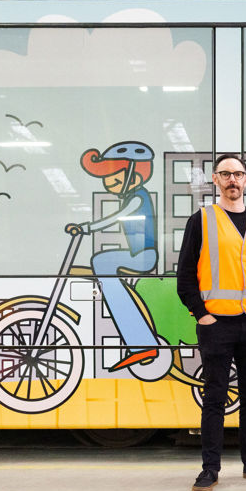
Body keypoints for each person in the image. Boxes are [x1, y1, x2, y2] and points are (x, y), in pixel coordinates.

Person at [176, 153, 246, 491]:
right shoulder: (203, 220)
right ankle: (210, 469)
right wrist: (201, 314)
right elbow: (185, 275)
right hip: (216, 324)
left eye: (238, 173)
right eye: (226, 174)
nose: (232, 180)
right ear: (215, 179)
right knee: (214, 398)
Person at [66, 141, 171, 380]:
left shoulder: (136, 198)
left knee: (102, 264)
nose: (111, 187)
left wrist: (87, 228)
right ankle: (139, 339)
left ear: (133, 176)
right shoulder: (132, 196)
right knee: (102, 265)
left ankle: (141, 343)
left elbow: (118, 217)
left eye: (114, 181)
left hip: (143, 257)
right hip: (138, 255)